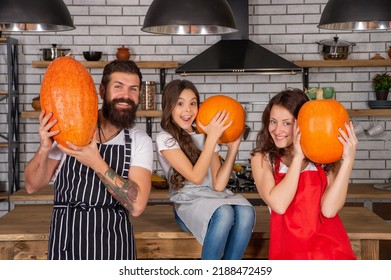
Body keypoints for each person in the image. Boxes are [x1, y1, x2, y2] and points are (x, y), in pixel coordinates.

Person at [24, 60, 153, 260]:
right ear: (102, 91)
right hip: (67, 242)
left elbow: (136, 206)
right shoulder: (69, 128)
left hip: (114, 245)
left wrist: (96, 162)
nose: (126, 96)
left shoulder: (139, 141)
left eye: (133, 89)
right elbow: (32, 185)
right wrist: (44, 147)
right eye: (118, 87)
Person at [250, 88, 358, 260]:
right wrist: (299, 156)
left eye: (287, 123)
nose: (277, 130)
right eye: (273, 121)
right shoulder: (262, 159)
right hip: (287, 254)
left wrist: (348, 161)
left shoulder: (324, 158)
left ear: (304, 123)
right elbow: (279, 204)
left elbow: (329, 210)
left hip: (329, 253)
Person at [155, 79, 255, 260]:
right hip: (188, 204)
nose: (188, 110)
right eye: (180, 104)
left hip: (214, 197)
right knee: (224, 213)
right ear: (169, 107)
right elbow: (196, 177)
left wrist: (233, 149)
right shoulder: (166, 138)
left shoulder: (207, 134)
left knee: (247, 212)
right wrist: (211, 139)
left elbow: (218, 185)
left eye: (193, 103)